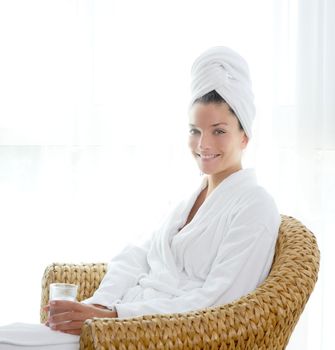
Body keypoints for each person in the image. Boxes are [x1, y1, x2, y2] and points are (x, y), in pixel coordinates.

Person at [0, 46, 280, 349]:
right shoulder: (190, 198)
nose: (203, 144)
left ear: (245, 136)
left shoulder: (256, 206)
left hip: (154, 337)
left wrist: (114, 317)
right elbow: (136, 255)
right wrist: (101, 306)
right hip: (114, 324)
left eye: (219, 131)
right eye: (195, 131)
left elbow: (218, 301)